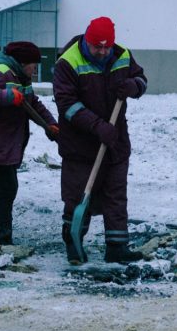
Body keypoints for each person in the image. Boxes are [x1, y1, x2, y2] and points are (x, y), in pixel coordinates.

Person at [53, 17, 148, 265]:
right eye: (98, 47)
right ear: (87, 40)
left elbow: (141, 80)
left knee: (116, 195)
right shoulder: (68, 62)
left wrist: (133, 86)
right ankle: (73, 244)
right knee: (77, 197)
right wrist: (97, 127)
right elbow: (67, 105)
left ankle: (117, 247)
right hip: (80, 146)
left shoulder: (122, 56)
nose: (103, 52)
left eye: (107, 47)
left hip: (116, 142)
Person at [0, 41, 57, 245]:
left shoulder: (20, 77)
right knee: (5, 190)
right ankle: (2, 241)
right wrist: (7, 96)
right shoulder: (0, 72)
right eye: (34, 66)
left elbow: (31, 102)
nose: (35, 71)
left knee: (1, 191)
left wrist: (50, 124)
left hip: (1, 143)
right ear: (23, 62)